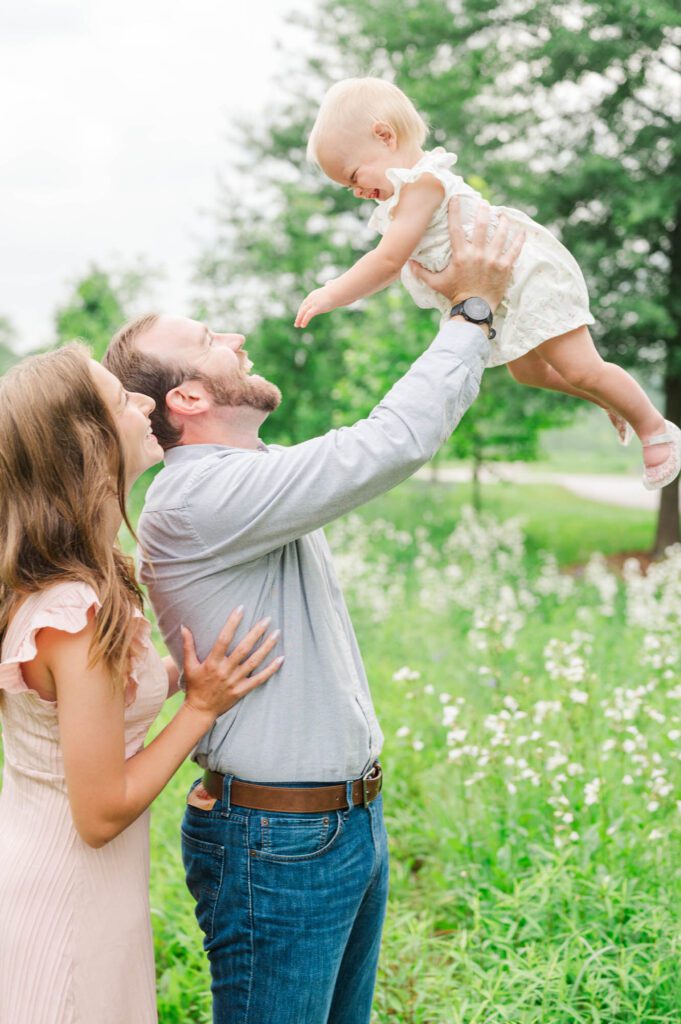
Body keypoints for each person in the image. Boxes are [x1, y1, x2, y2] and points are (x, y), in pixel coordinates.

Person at [102, 200, 521, 1024]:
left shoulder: (257, 476)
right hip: (276, 843)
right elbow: (388, 441)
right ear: (184, 397)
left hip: (338, 828)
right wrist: (472, 313)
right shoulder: (197, 498)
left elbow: (381, 442)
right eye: (209, 338)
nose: (235, 336)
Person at [0, 344, 283, 1024]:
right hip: (67, 890)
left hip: (75, 880)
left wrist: (173, 676)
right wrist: (202, 707)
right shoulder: (73, 613)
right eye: (123, 401)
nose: (147, 403)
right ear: (88, 443)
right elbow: (99, 813)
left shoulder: (79, 583)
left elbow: (96, 710)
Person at [296, 76, 681, 492]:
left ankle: (655, 428)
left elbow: (387, 260)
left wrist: (334, 291)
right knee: (529, 373)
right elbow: (396, 263)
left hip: (525, 278)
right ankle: (613, 399)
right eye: (347, 186)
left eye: (353, 175)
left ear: (385, 136)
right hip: (499, 291)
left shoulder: (423, 183)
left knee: (581, 367)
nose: (355, 191)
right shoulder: (404, 197)